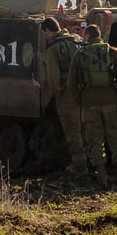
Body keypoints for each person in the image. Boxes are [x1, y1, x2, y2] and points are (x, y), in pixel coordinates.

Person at [67, 24, 117, 186]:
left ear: (87, 36)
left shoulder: (79, 54)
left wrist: (80, 101)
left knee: (94, 138)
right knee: (116, 135)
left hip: (89, 102)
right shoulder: (113, 52)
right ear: (100, 35)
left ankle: (101, 175)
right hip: (111, 101)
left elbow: (71, 84)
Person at [41, 17, 85, 175]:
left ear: (47, 31)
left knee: (72, 129)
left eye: (44, 34)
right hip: (83, 91)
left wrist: (57, 92)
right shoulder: (77, 40)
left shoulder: (54, 48)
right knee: (86, 127)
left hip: (67, 93)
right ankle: (95, 161)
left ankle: (79, 166)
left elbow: (53, 77)